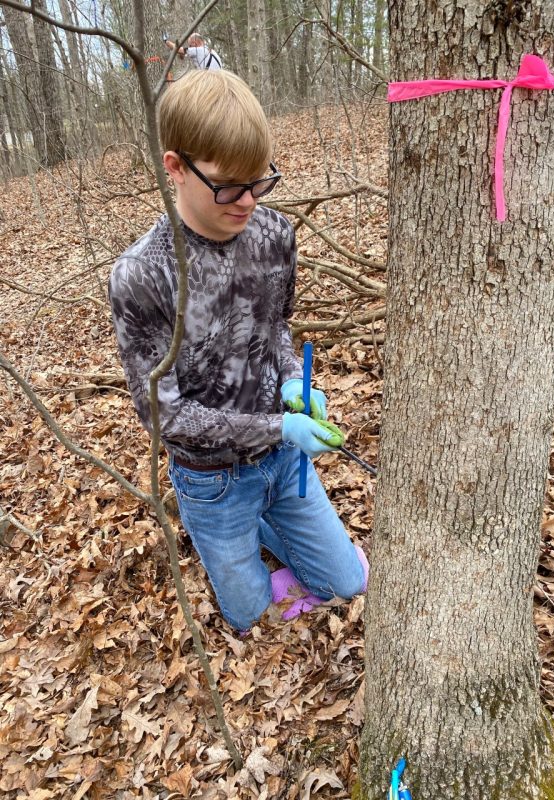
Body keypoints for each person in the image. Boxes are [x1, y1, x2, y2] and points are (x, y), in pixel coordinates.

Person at [108, 70, 367, 633]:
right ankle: (234, 531)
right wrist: (278, 426)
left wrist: (292, 384)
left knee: (347, 585)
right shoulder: (144, 275)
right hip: (213, 478)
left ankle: (270, 522)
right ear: (174, 167)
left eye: (259, 182)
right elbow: (165, 414)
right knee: (250, 618)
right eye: (228, 185)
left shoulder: (274, 234)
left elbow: (275, 327)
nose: (247, 201)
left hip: (284, 462)